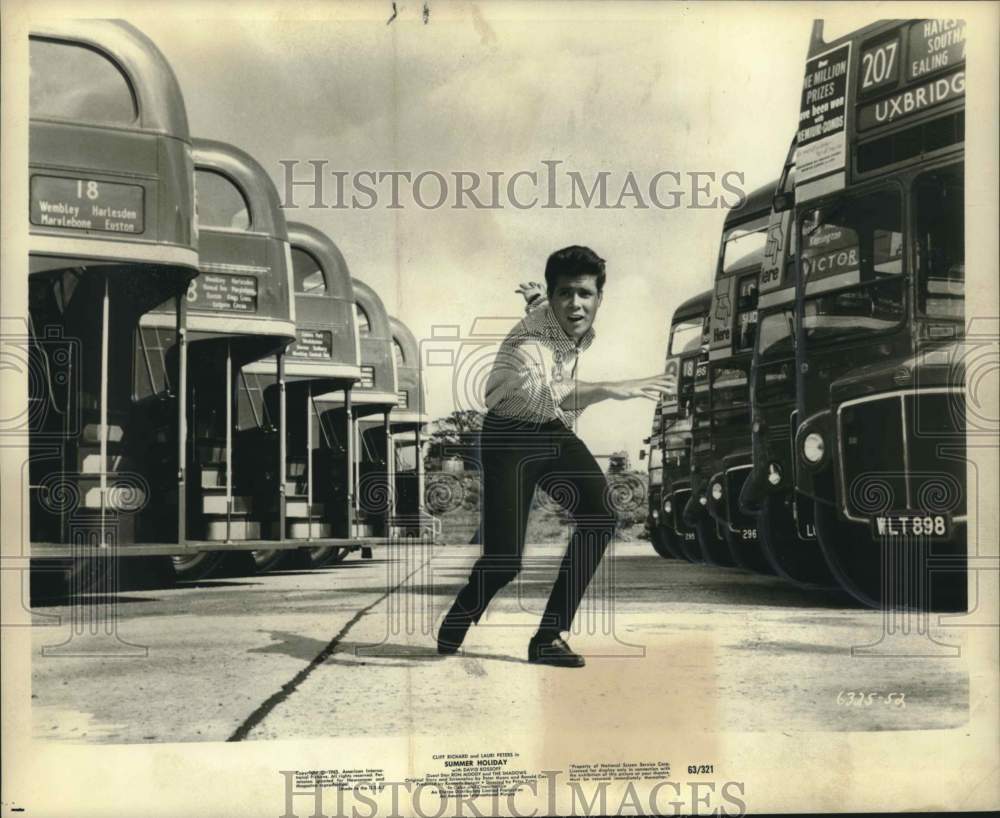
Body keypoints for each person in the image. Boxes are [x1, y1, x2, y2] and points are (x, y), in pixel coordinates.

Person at [437, 245, 675, 667]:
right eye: (564, 294)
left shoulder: (557, 312)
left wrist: (536, 295)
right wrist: (610, 387)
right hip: (508, 434)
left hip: (550, 430)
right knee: (504, 561)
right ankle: (464, 610)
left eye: (585, 294)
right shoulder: (533, 339)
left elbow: (552, 397)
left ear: (601, 297)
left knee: (600, 515)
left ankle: (549, 636)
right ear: (554, 295)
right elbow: (542, 395)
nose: (575, 304)